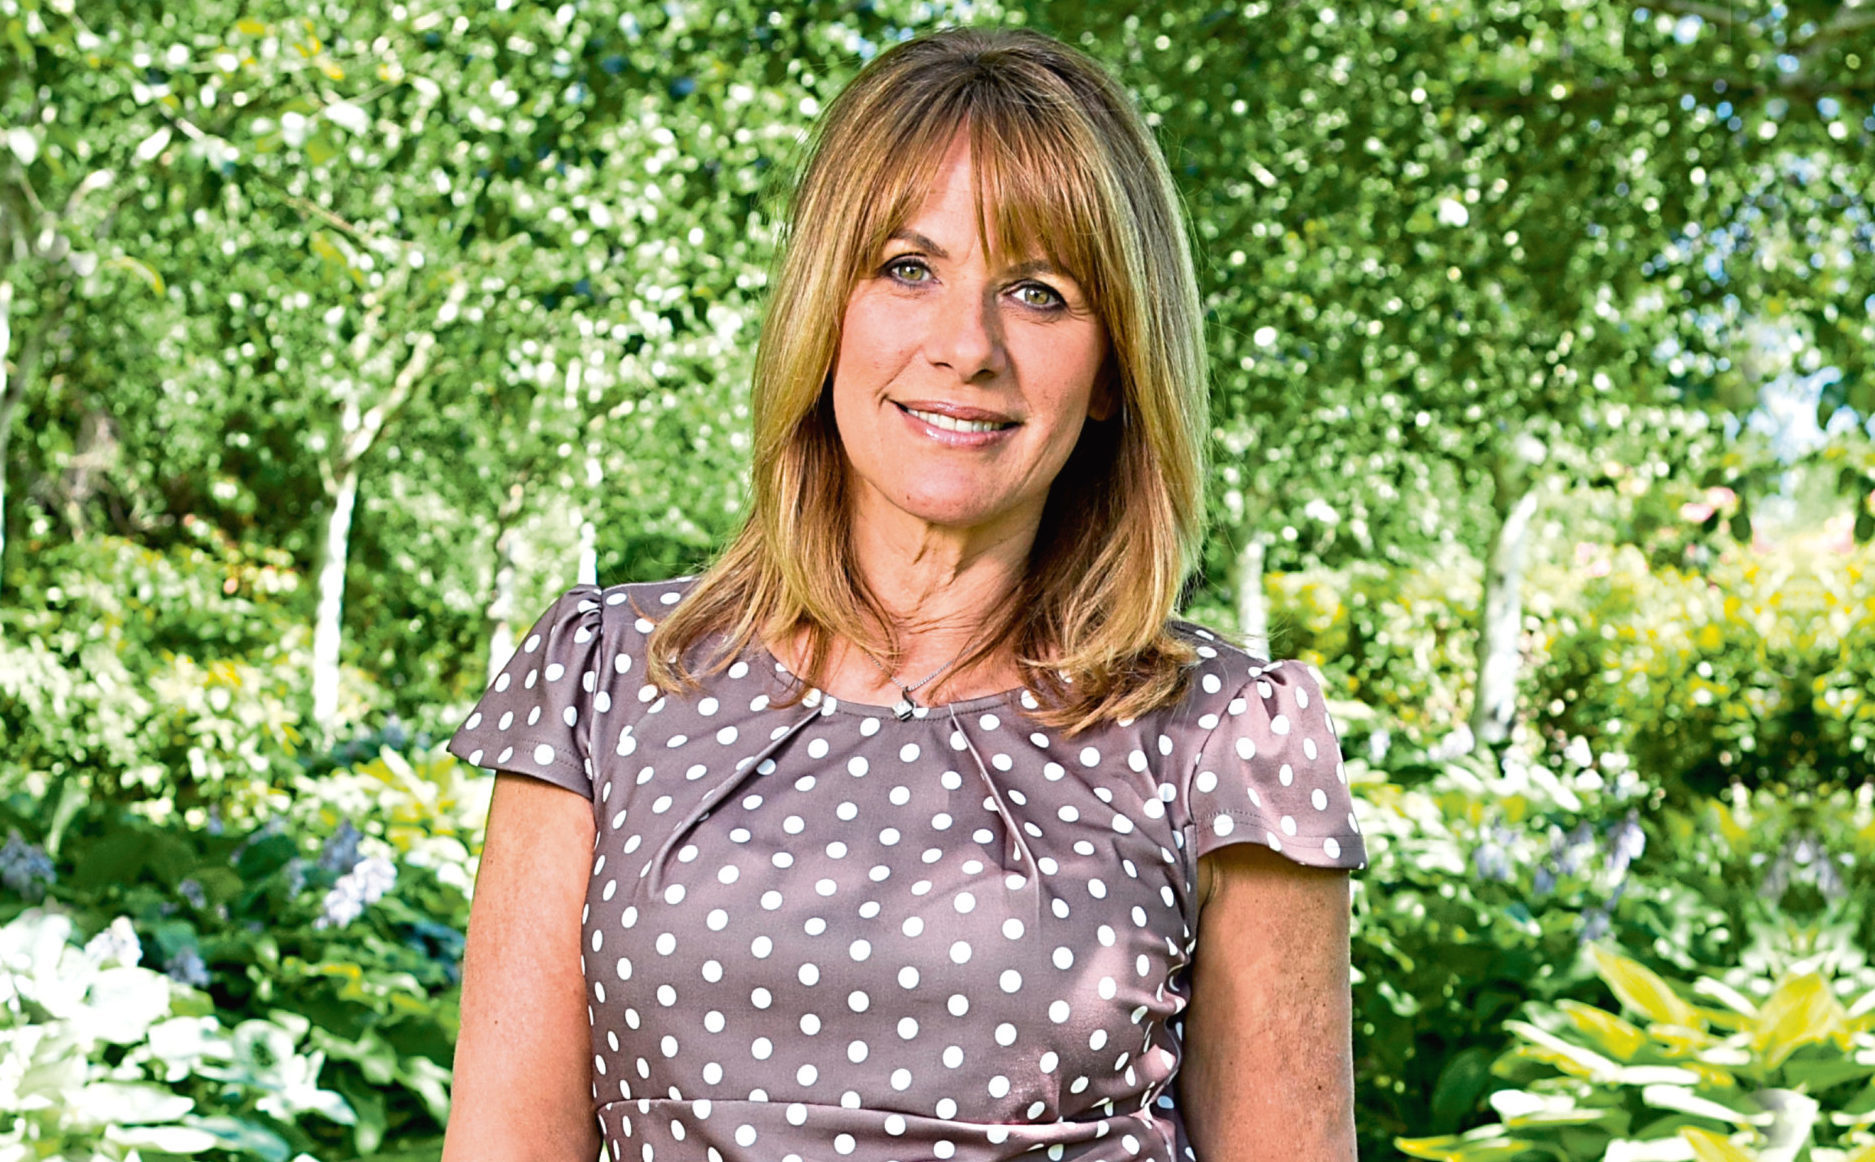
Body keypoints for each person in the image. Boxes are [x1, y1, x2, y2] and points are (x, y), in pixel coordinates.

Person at [441, 25, 1367, 1162]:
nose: (964, 346)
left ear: (1118, 366)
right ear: (827, 309)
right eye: (907, 268)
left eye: (1038, 291)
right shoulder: (606, 677)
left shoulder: (1227, 737)